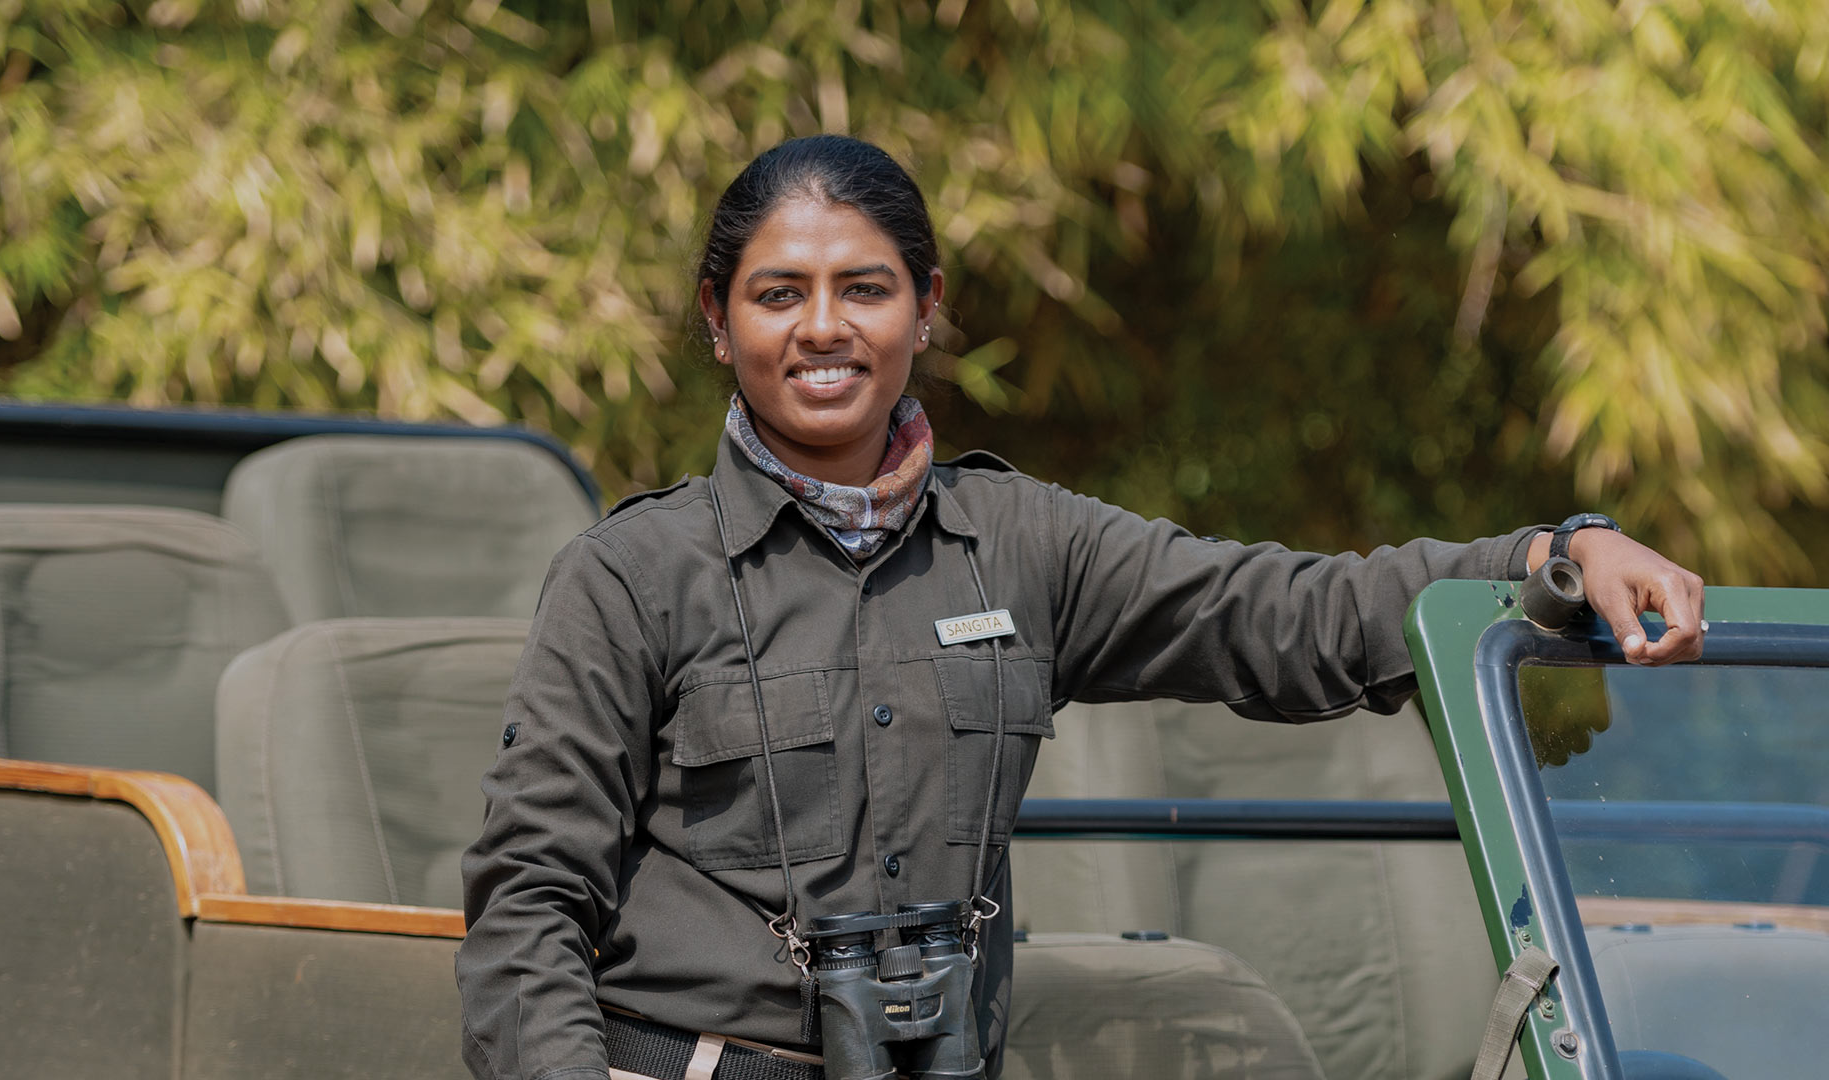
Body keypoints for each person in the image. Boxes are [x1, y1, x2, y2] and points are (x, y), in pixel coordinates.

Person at [457, 134, 1705, 1080]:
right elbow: (528, 899)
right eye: (778, 294)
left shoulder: (1023, 542)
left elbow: (1288, 615)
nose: (823, 328)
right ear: (719, 325)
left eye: (866, 289)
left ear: (926, 308)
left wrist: (1555, 550)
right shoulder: (629, 575)